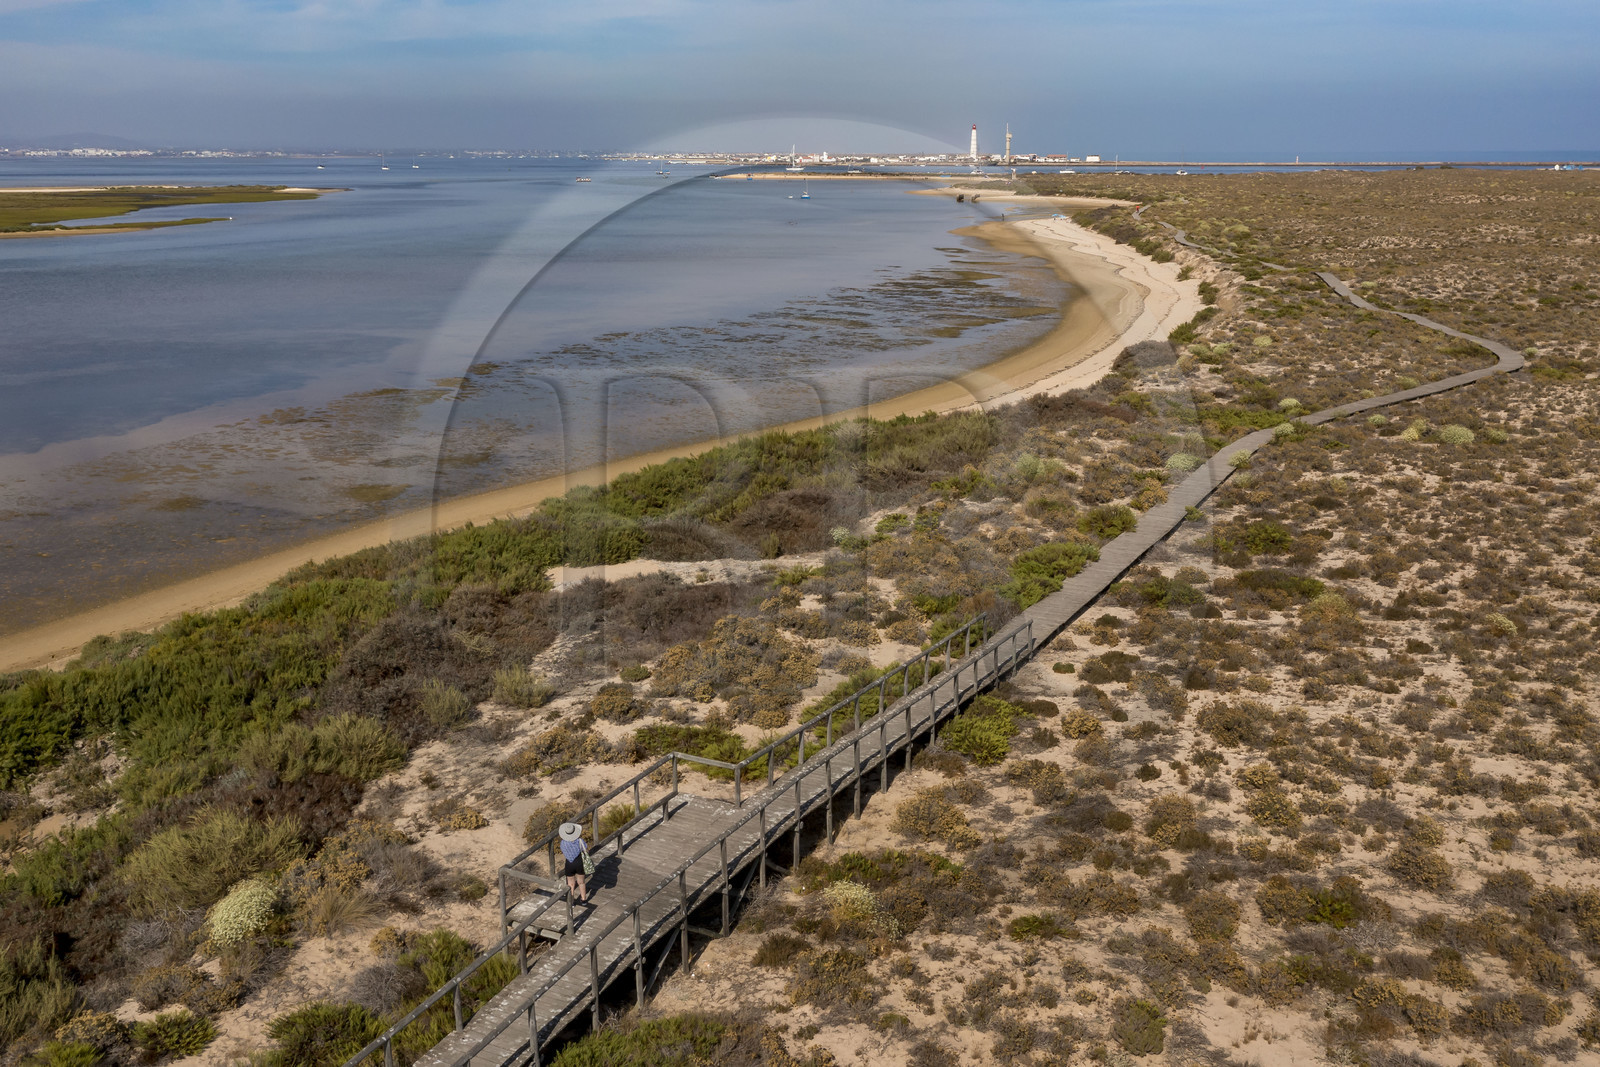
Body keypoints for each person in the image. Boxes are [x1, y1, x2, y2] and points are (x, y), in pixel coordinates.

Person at [558, 822, 591, 903]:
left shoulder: (563, 843)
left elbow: (563, 851)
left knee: (570, 884)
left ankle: (571, 901)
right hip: (579, 862)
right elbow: (585, 849)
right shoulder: (580, 841)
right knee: (581, 882)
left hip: (569, 864)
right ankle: (584, 899)